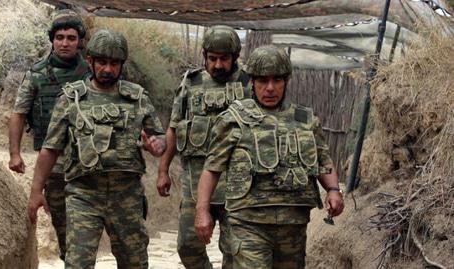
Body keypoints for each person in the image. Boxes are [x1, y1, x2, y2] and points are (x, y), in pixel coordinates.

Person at [194, 45, 344, 269]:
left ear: (286, 81)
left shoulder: (305, 120)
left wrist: (333, 190)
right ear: (252, 82)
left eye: (277, 80)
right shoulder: (234, 120)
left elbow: (323, 161)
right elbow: (212, 168)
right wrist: (202, 211)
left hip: (293, 225)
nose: (270, 88)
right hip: (247, 224)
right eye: (263, 81)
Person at [27, 29, 166, 269]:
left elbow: (160, 137)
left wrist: (157, 145)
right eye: (102, 62)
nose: (108, 69)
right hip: (84, 195)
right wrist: (36, 191)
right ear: (90, 61)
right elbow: (50, 149)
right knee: (77, 263)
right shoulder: (71, 99)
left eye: (114, 63)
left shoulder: (137, 98)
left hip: (127, 196)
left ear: (122, 64)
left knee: (134, 262)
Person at [157, 25, 249, 269]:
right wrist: (163, 171)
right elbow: (174, 128)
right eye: (212, 58)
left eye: (224, 59)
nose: (218, 65)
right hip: (194, 184)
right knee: (187, 246)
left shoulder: (250, 83)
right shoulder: (191, 82)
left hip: (238, 187)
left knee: (236, 252)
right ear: (204, 56)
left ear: (235, 57)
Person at [8, 9, 89, 260]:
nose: (65, 43)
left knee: (87, 230)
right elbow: (19, 113)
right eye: (60, 37)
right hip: (53, 166)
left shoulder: (91, 72)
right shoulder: (37, 74)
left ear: (80, 41)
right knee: (64, 230)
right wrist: (14, 153)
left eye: (71, 38)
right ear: (52, 40)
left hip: (87, 163)